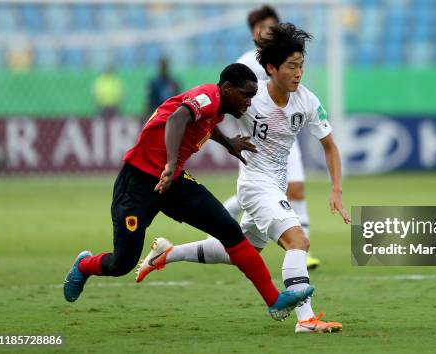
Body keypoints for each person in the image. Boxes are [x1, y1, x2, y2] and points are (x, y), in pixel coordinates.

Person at [137, 24, 350, 334]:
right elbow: (210, 113)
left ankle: (168, 253)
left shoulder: (307, 102)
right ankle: (306, 320)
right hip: (254, 184)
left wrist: (336, 189)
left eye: (301, 65)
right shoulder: (250, 96)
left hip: (274, 186)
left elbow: (330, 146)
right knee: (298, 241)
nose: (298, 72)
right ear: (271, 68)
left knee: (240, 250)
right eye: (292, 66)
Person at [63, 63, 314, 322]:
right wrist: (170, 164)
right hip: (137, 183)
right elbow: (178, 117)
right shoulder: (208, 95)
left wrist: (228, 144)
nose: (249, 103)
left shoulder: (217, 109)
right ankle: (84, 266)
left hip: (173, 183)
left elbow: (205, 123)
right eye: (246, 95)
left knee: (229, 230)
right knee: (122, 264)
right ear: (227, 88)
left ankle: (274, 300)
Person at [221, 5, 321, 270]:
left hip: (286, 136)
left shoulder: (289, 62)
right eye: (260, 28)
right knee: (259, 193)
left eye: (270, 27)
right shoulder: (245, 63)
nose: (266, 32)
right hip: (258, 139)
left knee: (296, 188)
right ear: (253, 33)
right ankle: (296, 244)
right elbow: (230, 96)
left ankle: (301, 247)